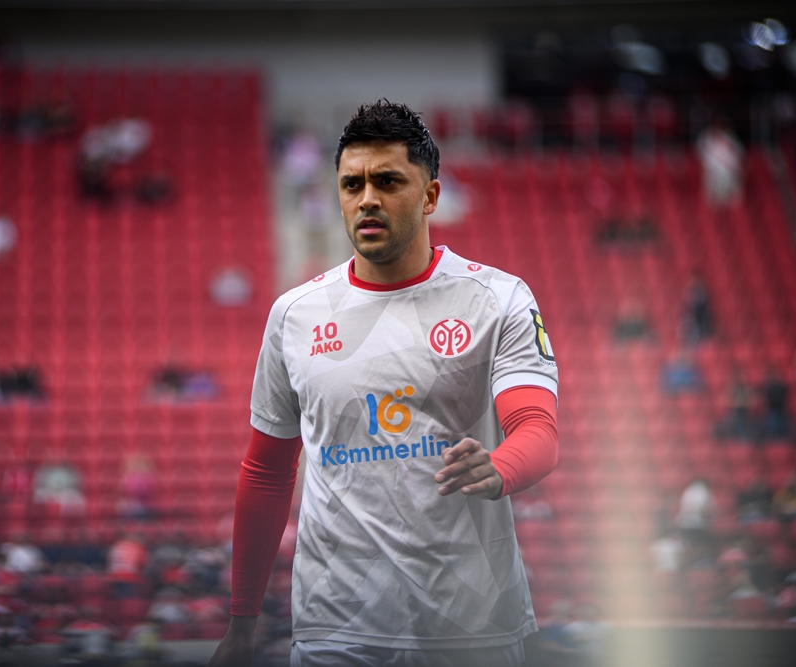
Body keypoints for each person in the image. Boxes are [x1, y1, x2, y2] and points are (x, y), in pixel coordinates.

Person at [208, 101, 559, 667]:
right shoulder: (294, 314)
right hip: (336, 631)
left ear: (430, 196)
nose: (366, 198)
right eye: (352, 184)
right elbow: (267, 471)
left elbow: (537, 429)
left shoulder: (498, 299)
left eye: (388, 181)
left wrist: (500, 467)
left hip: (473, 628)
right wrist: (242, 620)